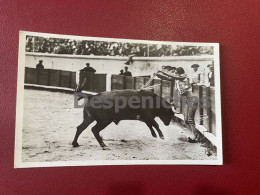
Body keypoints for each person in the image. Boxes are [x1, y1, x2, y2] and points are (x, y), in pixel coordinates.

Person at [155, 67, 199, 143]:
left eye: (176, 72)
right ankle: (190, 135)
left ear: (179, 73)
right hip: (187, 100)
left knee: (190, 119)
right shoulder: (177, 79)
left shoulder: (183, 76)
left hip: (192, 99)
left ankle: (194, 137)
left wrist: (162, 71)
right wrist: (158, 74)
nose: (174, 73)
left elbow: (173, 76)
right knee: (185, 120)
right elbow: (167, 77)